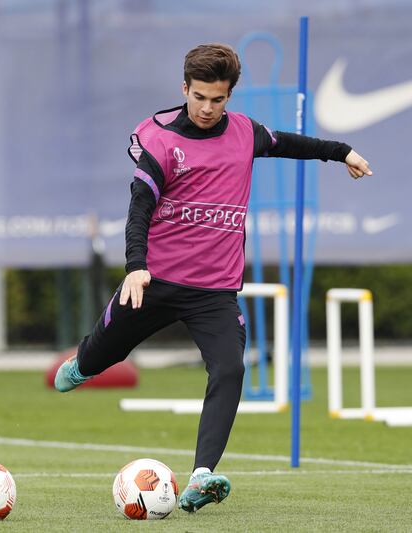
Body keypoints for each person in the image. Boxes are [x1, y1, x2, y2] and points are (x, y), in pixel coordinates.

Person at [55, 43, 372, 512]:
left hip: (214, 292)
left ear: (229, 97)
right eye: (199, 96)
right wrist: (136, 267)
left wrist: (341, 151)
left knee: (230, 368)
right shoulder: (161, 141)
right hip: (153, 282)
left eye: (217, 99)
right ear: (184, 88)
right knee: (102, 357)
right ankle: (84, 362)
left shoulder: (245, 133)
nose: (207, 108)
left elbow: (291, 143)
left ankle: (202, 475)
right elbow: (139, 208)